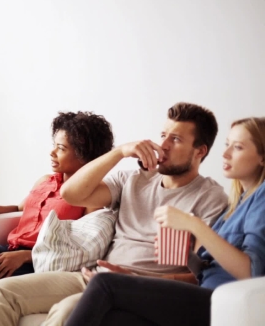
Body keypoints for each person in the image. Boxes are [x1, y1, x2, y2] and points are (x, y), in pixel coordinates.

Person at [0, 102, 229, 326]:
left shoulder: (209, 197)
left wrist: (136, 277)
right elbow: (72, 193)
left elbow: (200, 274)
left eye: (176, 139)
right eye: (163, 135)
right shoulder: (132, 180)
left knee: (65, 311)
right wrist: (119, 152)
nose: (163, 145)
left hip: (145, 290)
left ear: (200, 151)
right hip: (96, 277)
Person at [63, 116, 265, 326]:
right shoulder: (240, 201)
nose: (225, 154)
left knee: (106, 284)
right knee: (114, 319)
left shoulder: (260, 196)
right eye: (227, 144)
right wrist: (186, 254)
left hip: (217, 301)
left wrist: (193, 224)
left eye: (238, 147)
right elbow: (207, 269)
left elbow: (251, 272)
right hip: (204, 294)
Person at [0, 111, 115, 326]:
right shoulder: (45, 181)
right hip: (9, 251)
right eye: (54, 145)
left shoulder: (92, 194)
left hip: (39, 264)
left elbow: (82, 248)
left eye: (61, 148)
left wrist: (26, 256)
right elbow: (21, 207)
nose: (52, 153)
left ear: (85, 156)